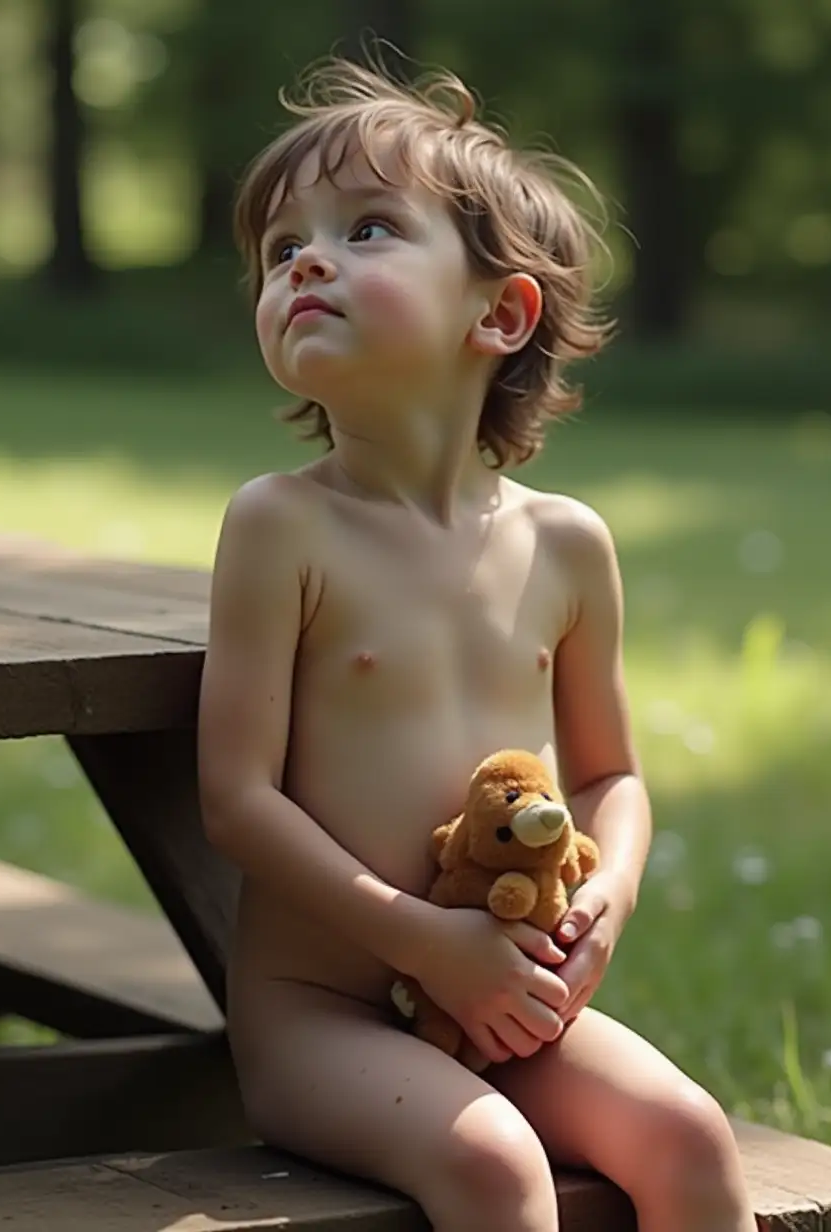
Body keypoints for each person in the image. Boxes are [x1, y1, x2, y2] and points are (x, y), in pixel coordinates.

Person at [197, 53, 758, 1232]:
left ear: (498, 313)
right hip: (322, 1014)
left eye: (365, 229)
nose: (305, 258)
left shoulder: (565, 546)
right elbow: (235, 800)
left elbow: (611, 775)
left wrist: (605, 891)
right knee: (496, 1169)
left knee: (689, 1137)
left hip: (505, 994)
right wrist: (425, 942)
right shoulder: (282, 523)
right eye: (279, 247)